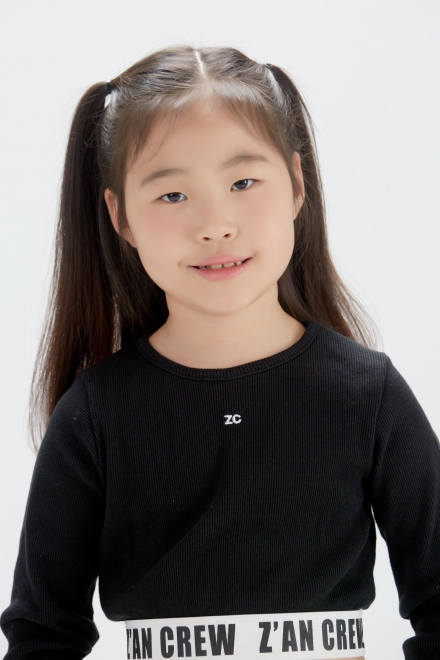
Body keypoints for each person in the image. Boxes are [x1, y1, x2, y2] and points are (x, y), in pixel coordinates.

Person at [1, 44, 439, 660]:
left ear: (296, 185)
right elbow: (43, 637)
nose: (215, 224)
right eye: (171, 195)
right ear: (119, 216)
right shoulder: (95, 415)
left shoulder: (369, 395)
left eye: (242, 182)